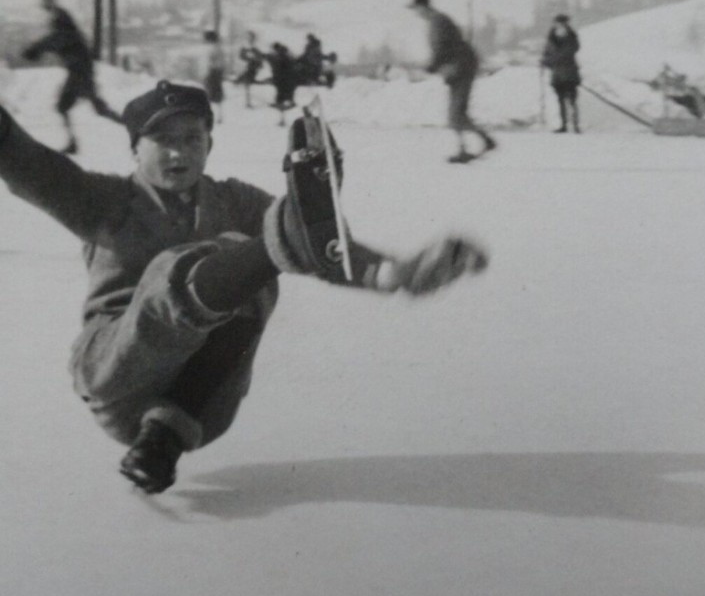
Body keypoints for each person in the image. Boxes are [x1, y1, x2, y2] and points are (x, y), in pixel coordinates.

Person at [0, 80, 488, 495]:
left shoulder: (234, 200)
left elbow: (326, 246)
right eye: (162, 140)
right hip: (119, 375)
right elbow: (31, 166)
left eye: (192, 138)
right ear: (134, 149)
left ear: (209, 145)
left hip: (202, 406)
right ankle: (279, 238)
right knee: (219, 254)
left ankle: (163, 441)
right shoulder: (106, 202)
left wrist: (392, 274)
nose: (179, 151)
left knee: (261, 258)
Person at [21, 0, 122, 154]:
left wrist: (36, 48)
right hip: (81, 68)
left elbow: (61, 39)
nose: (42, 2)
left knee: (65, 106)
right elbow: (59, 40)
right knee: (98, 109)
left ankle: (139, 130)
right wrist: (38, 48)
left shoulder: (59, 16)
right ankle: (138, 129)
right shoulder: (58, 15)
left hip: (79, 69)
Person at [408, 0, 497, 163]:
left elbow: (441, 49)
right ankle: (477, 143)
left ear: (423, 6)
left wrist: (431, 66)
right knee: (456, 114)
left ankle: (479, 143)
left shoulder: (438, 22)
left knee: (455, 114)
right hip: (457, 68)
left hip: (461, 68)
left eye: (416, 8)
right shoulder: (437, 20)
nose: (416, 13)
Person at [540, 14, 582, 133]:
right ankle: (564, 125)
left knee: (572, 100)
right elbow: (546, 54)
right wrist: (545, 61)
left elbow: (572, 50)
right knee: (560, 100)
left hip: (570, 73)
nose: (560, 25)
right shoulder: (551, 38)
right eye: (558, 22)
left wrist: (552, 60)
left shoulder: (571, 37)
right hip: (557, 74)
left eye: (562, 23)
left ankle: (575, 125)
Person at [266, 42, 298, 122]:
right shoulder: (288, 56)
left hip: (283, 81)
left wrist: (274, 78)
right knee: (284, 98)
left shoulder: (280, 57)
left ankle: (282, 119)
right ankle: (287, 105)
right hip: (290, 81)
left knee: (281, 98)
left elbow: (278, 70)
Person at [235, 31, 265, 109]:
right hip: (244, 68)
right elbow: (240, 58)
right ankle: (247, 101)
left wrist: (255, 61)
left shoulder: (256, 50)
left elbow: (260, 63)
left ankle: (248, 101)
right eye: (248, 38)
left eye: (251, 38)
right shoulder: (244, 49)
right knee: (245, 81)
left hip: (252, 70)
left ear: (254, 39)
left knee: (247, 80)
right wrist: (247, 60)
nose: (250, 39)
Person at [202, 29, 227, 123]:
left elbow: (209, 62)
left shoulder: (212, 48)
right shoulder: (219, 47)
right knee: (217, 94)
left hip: (213, 72)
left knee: (210, 94)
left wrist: (207, 73)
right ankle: (219, 116)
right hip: (218, 72)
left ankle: (212, 116)